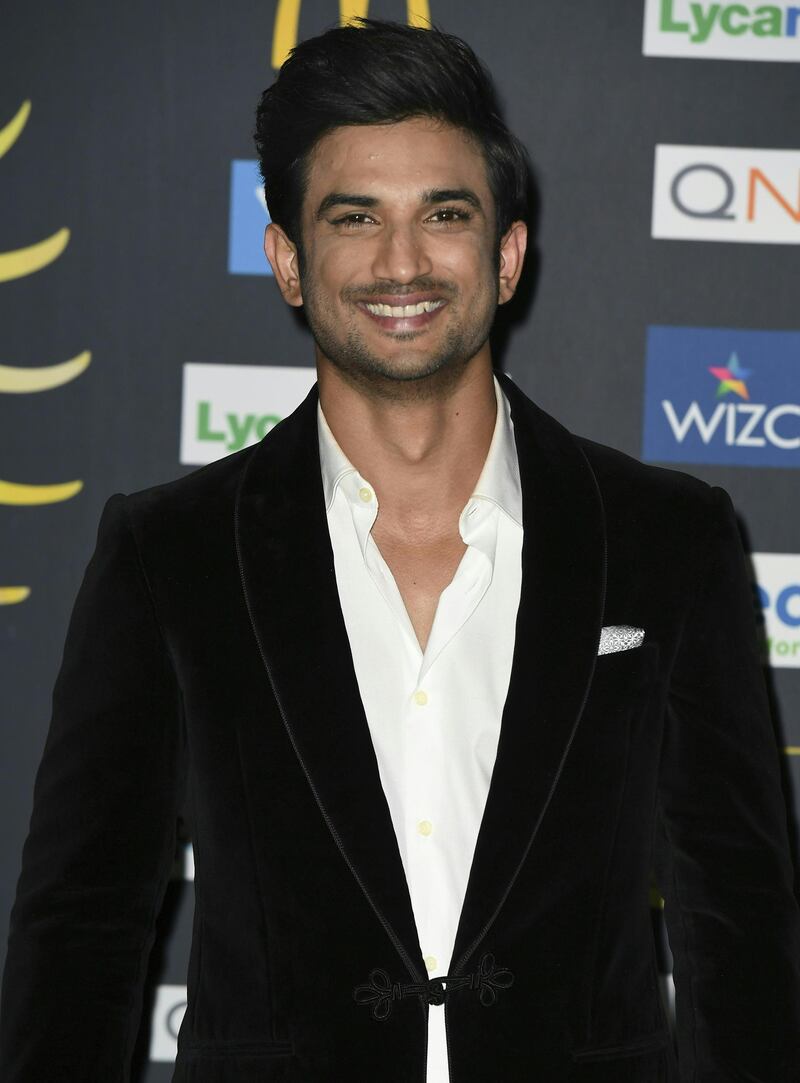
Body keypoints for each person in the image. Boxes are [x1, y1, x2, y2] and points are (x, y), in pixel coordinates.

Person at [1, 17, 799, 1083]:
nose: (401, 262)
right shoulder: (169, 555)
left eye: (444, 214)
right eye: (353, 217)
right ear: (287, 260)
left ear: (505, 254)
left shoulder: (667, 539)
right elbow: (82, 929)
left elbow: (737, 922)